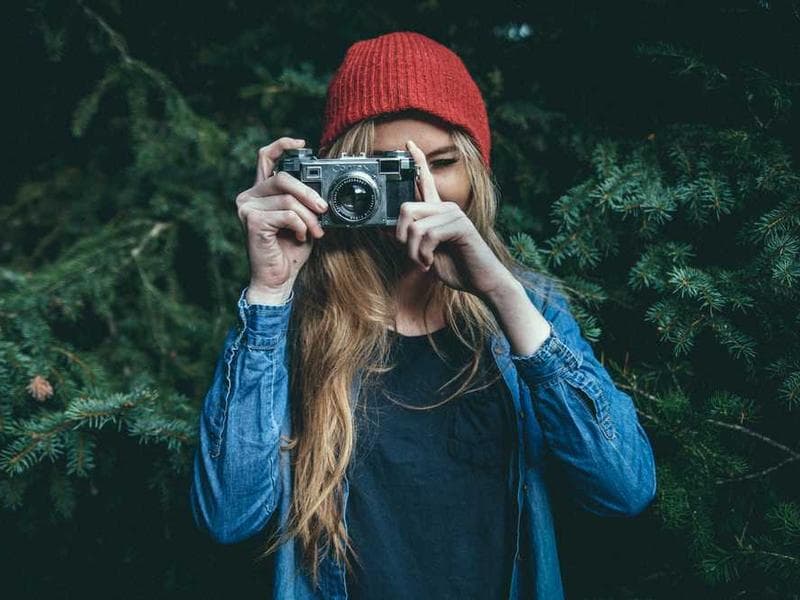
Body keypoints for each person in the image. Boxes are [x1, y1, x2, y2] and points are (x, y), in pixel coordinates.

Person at [189, 31, 657, 600]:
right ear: (340, 180)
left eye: (441, 164)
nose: (421, 194)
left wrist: (502, 294)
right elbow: (228, 516)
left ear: (477, 174)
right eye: (391, 170)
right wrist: (268, 294)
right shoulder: (293, 320)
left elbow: (624, 488)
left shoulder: (527, 311)